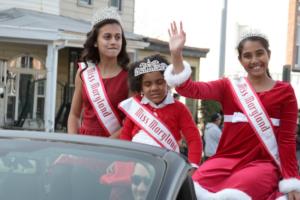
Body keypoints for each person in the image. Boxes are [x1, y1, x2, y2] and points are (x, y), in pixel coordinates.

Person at [164, 22, 300, 200]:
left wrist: (292, 180)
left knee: (240, 193)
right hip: (225, 160)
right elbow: (188, 89)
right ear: (241, 60)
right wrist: (176, 54)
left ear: (269, 54)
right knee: (191, 187)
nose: (254, 60)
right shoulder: (229, 86)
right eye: (247, 56)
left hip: (262, 164)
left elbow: (287, 140)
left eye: (259, 53)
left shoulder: (285, 91)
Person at [118, 54, 202, 169]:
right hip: (136, 167)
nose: (154, 88)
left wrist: (193, 166)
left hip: (166, 168)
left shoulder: (179, 108)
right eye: (147, 84)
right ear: (140, 87)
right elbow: (125, 137)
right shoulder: (136, 106)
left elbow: (194, 139)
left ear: (167, 82)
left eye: (159, 82)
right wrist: (124, 164)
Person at [67, 7, 130, 138]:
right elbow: (74, 115)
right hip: (84, 144)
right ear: (95, 41)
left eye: (118, 37)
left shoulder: (129, 77)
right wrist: (73, 142)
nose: (113, 42)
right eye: (107, 37)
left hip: (115, 145)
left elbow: (130, 122)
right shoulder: (84, 72)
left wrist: (105, 145)